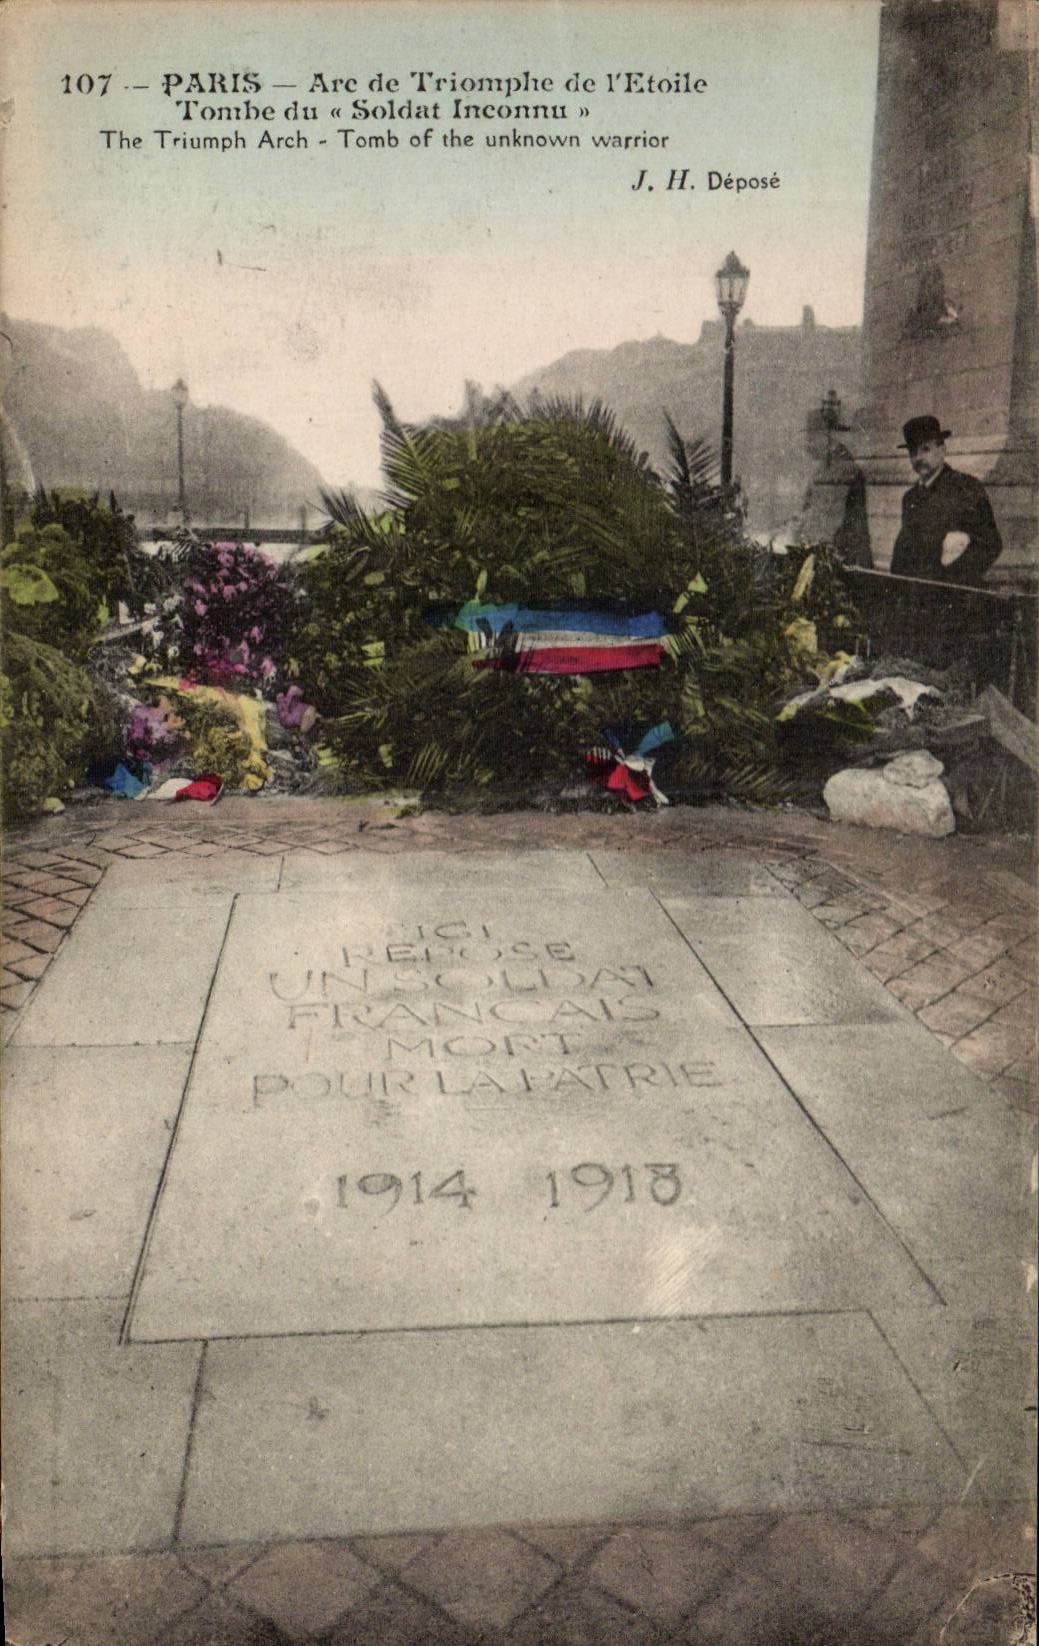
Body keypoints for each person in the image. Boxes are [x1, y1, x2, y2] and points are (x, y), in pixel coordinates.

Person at [890, 415, 1002, 584]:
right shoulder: (910, 498)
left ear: (942, 450)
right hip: (916, 601)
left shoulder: (966, 488)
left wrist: (951, 579)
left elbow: (991, 544)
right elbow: (902, 554)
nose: (918, 458)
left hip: (953, 598)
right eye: (913, 452)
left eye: (925, 449)